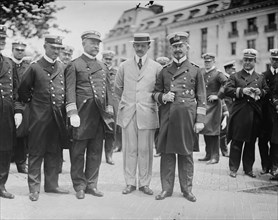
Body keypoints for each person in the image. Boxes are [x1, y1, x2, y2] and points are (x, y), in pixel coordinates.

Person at [153, 32, 206, 202]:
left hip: (186, 118)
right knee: (167, 155)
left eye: (180, 46)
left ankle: (187, 190)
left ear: (187, 48)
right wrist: (163, 97)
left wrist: (200, 121)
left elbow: (202, 98)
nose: (177, 49)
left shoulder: (196, 70)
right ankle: (166, 189)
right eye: (174, 47)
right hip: (168, 117)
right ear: (171, 49)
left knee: (186, 155)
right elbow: (154, 93)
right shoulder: (164, 71)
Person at [18, 35, 69, 201]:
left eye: (59, 49)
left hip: (57, 117)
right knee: (35, 152)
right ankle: (34, 188)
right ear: (45, 46)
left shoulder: (62, 67)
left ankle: (52, 185)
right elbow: (23, 90)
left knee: (54, 151)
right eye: (53, 48)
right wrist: (35, 106)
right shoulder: (35, 67)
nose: (56, 51)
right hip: (38, 118)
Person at [65, 30, 113, 199]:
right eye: (92, 42)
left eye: (98, 43)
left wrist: (110, 111)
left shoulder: (102, 66)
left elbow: (108, 92)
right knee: (78, 153)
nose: (95, 46)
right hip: (81, 115)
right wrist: (72, 112)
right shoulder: (75, 64)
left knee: (95, 151)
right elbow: (69, 90)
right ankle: (79, 185)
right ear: (83, 43)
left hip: (98, 116)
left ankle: (92, 184)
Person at [114, 33, 162, 196]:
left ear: (149, 46)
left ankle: (144, 183)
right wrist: (126, 103)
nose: (140, 48)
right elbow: (117, 88)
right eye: (137, 45)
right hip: (128, 113)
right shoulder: (124, 66)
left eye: (143, 45)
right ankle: (129, 183)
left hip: (147, 113)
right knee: (129, 149)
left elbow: (159, 91)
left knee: (145, 150)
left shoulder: (157, 67)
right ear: (133, 46)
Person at [225, 49, 269, 178]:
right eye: (245, 60)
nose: (247, 63)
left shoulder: (260, 77)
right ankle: (233, 168)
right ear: (242, 61)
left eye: (250, 60)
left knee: (250, 143)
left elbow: (266, 91)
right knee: (237, 142)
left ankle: (248, 169)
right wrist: (241, 90)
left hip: (254, 115)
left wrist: (259, 92)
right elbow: (227, 90)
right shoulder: (235, 76)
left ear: (255, 61)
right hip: (240, 114)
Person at [198, 53, 227, 164]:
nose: (207, 63)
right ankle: (208, 154)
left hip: (214, 106)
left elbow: (227, 83)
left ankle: (215, 156)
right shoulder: (202, 72)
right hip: (204, 105)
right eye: (206, 61)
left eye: (209, 61)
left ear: (214, 61)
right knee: (205, 129)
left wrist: (218, 95)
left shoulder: (218, 74)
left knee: (213, 131)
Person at [0, 25, 18, 199]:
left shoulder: (8, 62)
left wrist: (17, 111)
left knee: (4, 149)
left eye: (4, 39)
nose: (2, 41)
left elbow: (16, 90)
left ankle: (1, 185)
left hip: (5, 112)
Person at [10, 40, 30, 174]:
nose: (20, 51)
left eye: (22, 49)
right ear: (12, 50)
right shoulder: (6, 63)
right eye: (17, 49)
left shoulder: (28, 66)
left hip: (23, 104)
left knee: (22, 135)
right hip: (7, 103)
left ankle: (21, 163)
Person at [258, 49, 278, 176]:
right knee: (262, 140)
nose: (275, 62)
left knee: (275, 141)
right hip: (265, 113)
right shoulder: (263, 75)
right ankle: (265, 165)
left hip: (276, 114)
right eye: (273, 59)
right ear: (270, 60)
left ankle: (273, 166)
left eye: (277, 60)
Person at [101, 50, 120, 165]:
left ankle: (109, 155)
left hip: (113, 103)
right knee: (98, 130)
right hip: (100, 103)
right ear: (102, 59)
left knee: (111, 130)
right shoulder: (98, 70)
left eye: (110, 59)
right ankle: (96, 155)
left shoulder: (116, 72)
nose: (108, 61)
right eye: (106, 59)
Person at [58, 45, 74, 173]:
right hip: (57, 106)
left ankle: (75, 168)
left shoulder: (73, 67)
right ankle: (57, 165)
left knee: (73, 136)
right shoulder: (56, 67)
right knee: (57, 136)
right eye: (64, 54)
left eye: (69, 54)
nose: (67, 57)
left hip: (71, 106)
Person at [154, 56, 170, 158]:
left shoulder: (169, 74)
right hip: (155, 104)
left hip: (166, 105)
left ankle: (165, 148)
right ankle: (158, 149)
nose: (162, 67)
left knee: (165, 128)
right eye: (160, 64)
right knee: (156, 128)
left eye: (164, 64)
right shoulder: (153, 74)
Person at [220, 60, 236, 156]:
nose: (234, 70)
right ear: (227, 69)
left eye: (234, 69)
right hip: (226, 105)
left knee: (231, 128)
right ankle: (224, 150)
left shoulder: (233, 78)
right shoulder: (224, 79)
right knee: (224, 129)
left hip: (233, 105)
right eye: (232, 69)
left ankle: (224, 146)